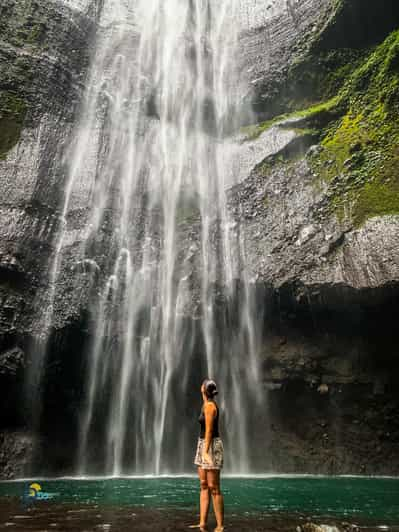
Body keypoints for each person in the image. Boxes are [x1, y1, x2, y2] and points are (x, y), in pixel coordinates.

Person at [189, 379, 224, 532]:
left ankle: (220, 525)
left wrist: (205, 451)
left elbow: (209, 430)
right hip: (203, 443)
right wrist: (202, 448)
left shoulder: (209, 406)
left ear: (203, 389)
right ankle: (202, 522)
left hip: (211, 445)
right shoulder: (206, 404)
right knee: (203, 485)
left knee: (214, 487)